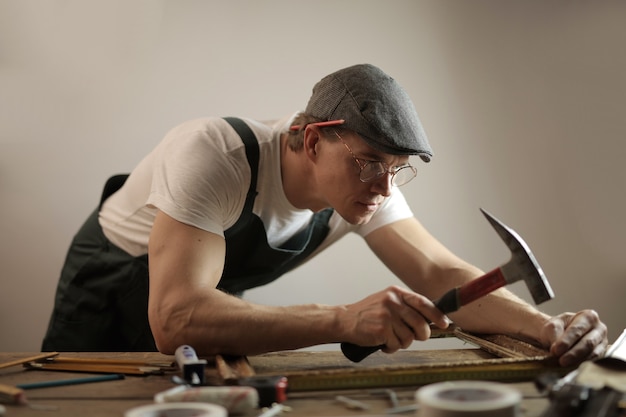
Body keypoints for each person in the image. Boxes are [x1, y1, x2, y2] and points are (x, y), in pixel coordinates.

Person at [42, 64, 607, 367]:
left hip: (200, 295)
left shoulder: (365, 190)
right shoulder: (215, 153)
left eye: (397, 168)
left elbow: (442, 274)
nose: (384, 186)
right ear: (312, 141)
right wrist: (341, 320)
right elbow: (174, 319)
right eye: (367, 163)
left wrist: (548, 329)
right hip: (113, 283)